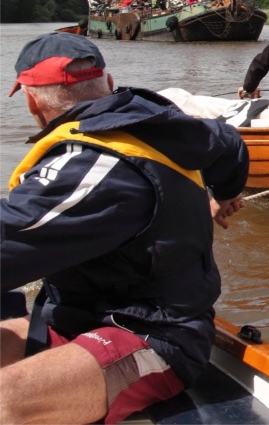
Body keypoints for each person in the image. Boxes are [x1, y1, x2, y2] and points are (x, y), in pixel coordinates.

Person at [0, 33, 249, 424]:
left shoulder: (94, 167)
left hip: (151, 337)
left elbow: (9, 239)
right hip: (77, 317)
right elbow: (231, 143)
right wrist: (226, 193)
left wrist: (219, 195)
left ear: (32, 100)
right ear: (110, 84)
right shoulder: (164, 127)